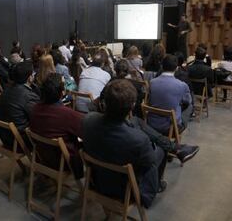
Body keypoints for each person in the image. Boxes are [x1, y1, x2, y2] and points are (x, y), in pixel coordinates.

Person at [83, 80, 199, 208]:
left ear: (104, 102)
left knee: (136, 121)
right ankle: (160, 178)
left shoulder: (87, 120)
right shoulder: (139, 140)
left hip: (95, 180)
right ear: (133, 106)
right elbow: (149, 165)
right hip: (124, 189)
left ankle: (174, 147)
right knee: (160, 149)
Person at [30, 73, 84, 178]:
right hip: (64, 161)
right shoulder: (68, 114)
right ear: (62, 93)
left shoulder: (34, 109)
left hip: (42, 158)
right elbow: (84, 135)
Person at [0, 62, 40, 151]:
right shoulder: (28, 96)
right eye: (33, 73)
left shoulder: (6, 90)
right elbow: (38, 117)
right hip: (18, 142)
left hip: (4, 137)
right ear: (30, 78)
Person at [149, 55, 192, 134]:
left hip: (151, 124)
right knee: (190, 106)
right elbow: (188, 101)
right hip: (171, 128)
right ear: (176, 68)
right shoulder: (182, 85)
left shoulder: (152, 82)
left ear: (162, 66)